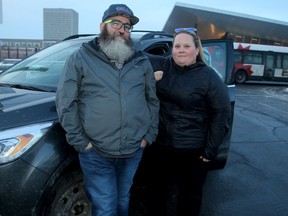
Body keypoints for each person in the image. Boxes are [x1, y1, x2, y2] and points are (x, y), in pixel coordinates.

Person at [55, 4, 159, 216]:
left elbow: (152, 101)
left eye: (127, 26)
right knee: (105, 208)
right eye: (116, 23)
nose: (121, 29)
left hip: (133, 150)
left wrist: (149, 135)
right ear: (102, 26)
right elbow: (66, 102)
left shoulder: (141, 61)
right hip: (97, 152)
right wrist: (82, 142)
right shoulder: (80, 58)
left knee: (123, 200)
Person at [142, 28, 231, 216]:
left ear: (197, 50)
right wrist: (149, 77)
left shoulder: (209, 77)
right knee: (156, 196)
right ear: (172, 49)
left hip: (193, 153)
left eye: (187, 46)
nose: (181, 50)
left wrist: (209, 151)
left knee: (189, 200)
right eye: (177, 46)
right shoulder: (163, 65)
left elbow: (221, 115)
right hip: (160, 148)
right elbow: (134, 58)